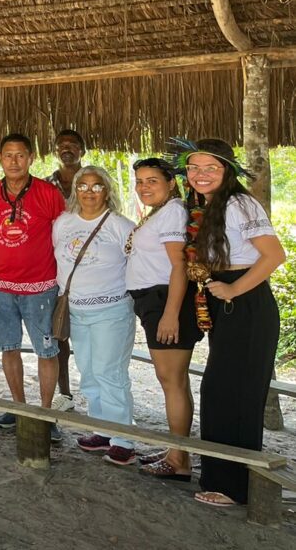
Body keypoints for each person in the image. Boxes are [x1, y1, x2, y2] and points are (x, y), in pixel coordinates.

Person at [170, 138, 286, 507]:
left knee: (235, 395)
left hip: (246, 303)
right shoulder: (204, 205)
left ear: (228, 171)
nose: (200, 174)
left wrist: (234, 290)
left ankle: (234, 487)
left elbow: (274, 255)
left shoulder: (239, 203)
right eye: (194, 167)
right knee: (220, 391)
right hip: (226, 301)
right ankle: (221, 476)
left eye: (211, 168)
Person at [0, 133, 65, 438]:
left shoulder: (48, 194)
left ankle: (46, 415)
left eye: (20, 155)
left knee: (46, 351)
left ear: (31, 158)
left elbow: (64, 240)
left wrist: (64, 284)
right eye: (8, 155)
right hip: (0, 287)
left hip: (42, 287)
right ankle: (19, 409)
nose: (14, 161)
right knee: (8, 348)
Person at [52, 166, 137, 465]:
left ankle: (123, 439)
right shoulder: (63, 223)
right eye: (83, 186)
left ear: (107, 190)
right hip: (76, 310)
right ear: (75, 190)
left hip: (111, 310)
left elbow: (138, 263)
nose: (89, 192)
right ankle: (102, 429)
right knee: (88, 371)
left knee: (109, 373)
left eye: (97, 186)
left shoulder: (121, 226)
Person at [125, 157, 201, 481]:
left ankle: (179, 460)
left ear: (171, 183)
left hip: (165, 301)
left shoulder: (172, 212)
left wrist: (170, 315)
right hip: (156, 301)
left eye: (152, 181)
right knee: (175, 381)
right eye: (140, 181)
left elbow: (178, 265)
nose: (144, 187)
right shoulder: (162, 211)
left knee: (171, 381)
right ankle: (177, 451)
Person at [46, 128, 86, 411]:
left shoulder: (94, 180)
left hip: (89, 265)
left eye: (73, 144)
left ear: (83, 150)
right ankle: (65, 393)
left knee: (90, 332)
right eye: (61, 145)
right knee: (58, 330)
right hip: (55, 265)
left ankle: (100, 393)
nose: (66, 148)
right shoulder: (46, 185)